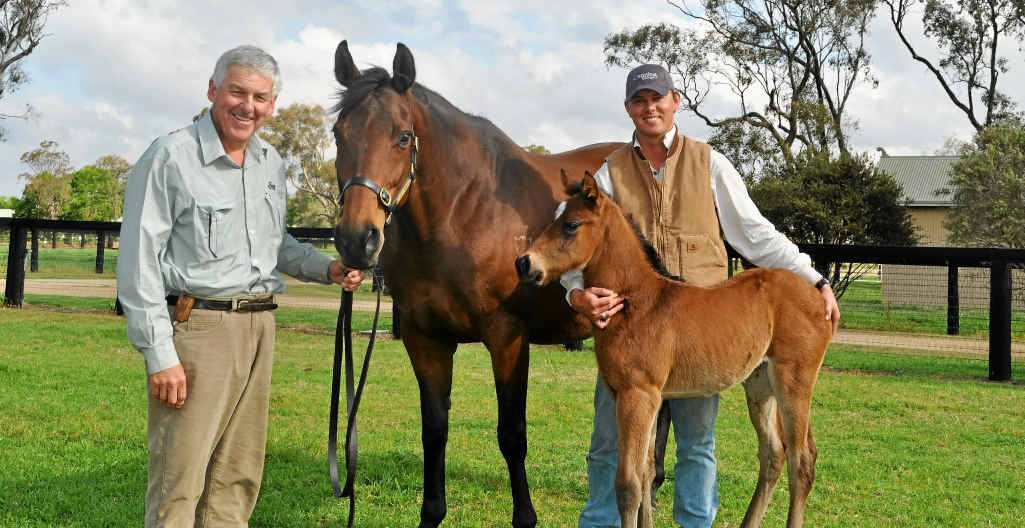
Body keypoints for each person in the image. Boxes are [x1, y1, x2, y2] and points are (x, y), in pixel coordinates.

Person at [562, 64, 841, 528]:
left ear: (676, 102)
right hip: (630, 332)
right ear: (629, 109)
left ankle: (695, 522)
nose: (649, 107)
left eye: (658, 97)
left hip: (697, 329)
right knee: (611, 442)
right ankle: (602, 523)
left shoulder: (709, 162)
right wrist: (576, 295)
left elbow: (753, 233)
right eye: (639, 99)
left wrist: (813, 278)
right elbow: (567, 237)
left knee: (697, 443)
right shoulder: (611, 172)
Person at [117, 45, 365, 527]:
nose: (247, 106)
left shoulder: (270, 162)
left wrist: (326, 268)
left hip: (260, 329)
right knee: (179, 479)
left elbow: (275, 244)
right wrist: (159, 353)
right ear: (213, 91)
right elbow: (139, 260)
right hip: (199, 331)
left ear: (272, 105)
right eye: (237, 92)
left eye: (260, 97)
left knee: (237, 478)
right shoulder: (170, 157)